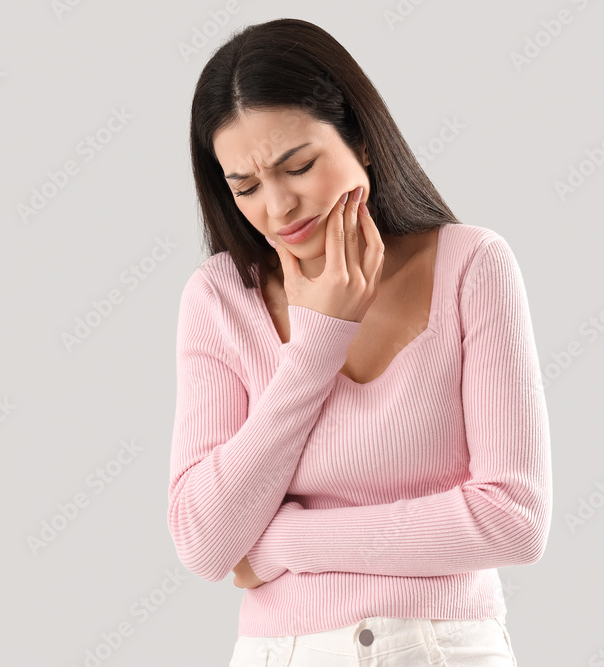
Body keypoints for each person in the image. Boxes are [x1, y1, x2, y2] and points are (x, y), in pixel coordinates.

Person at [168, 17, 552, 666]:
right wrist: (317, 345)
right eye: (247, 188)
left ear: (363, 141)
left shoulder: (472, 266)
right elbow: (204, 542)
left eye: (298, 166)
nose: (278, 208)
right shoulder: (219, 298)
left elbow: (514, 520)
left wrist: (280, 543)